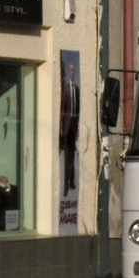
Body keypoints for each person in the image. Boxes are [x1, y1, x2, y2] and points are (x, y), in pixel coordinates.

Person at [60, 61, 79, 196]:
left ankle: (72, 181)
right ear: (68, 72)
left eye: (74, 70)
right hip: (66, 126)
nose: (72, 73)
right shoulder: (65, 89)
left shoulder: (76, 90)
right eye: (70, 70)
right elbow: (62, 109)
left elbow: (77, 109)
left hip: (74, 124)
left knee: (72, 155)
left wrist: (77, 126)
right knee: (67, 156)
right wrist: (61, 127)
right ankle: (66, 184)